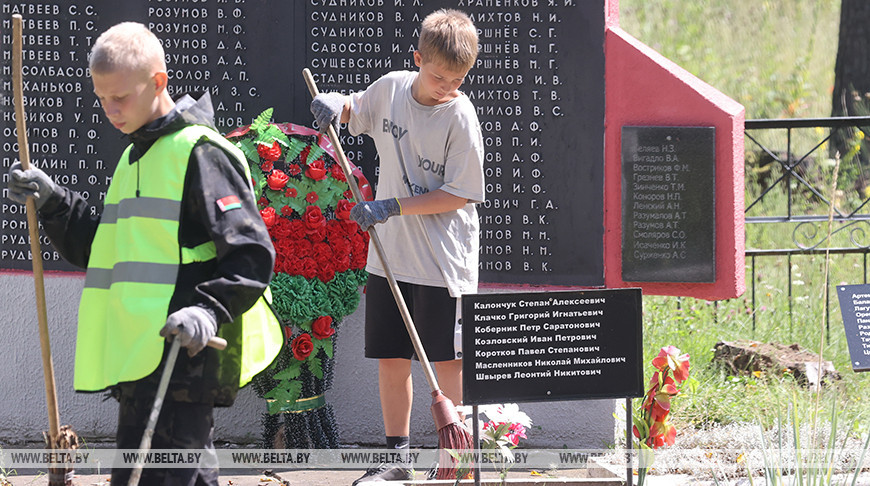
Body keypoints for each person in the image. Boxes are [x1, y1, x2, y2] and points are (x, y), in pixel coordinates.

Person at [7, 22, 283, 486]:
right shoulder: (136, 155)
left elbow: (252, 254)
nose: (111, 110)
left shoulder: (199, 153)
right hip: (144, 357)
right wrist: (54, 202)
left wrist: (207, 311)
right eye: (101, 98)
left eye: (121, 97)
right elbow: (105, 250)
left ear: (158, 82)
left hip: (186, 352)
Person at [310, 8, 484, 484]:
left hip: (442, 261)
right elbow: (354, 110)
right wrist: (335, 103)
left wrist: (392, 206)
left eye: (457, 80)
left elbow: (460, 193)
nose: (447, 87)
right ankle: (398, 459)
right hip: (389, 257)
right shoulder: (391, 89)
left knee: (447, 361)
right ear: (417, 59)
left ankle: (456, 463)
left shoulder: (460, 116)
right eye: (438, 76)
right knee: (391, 357)